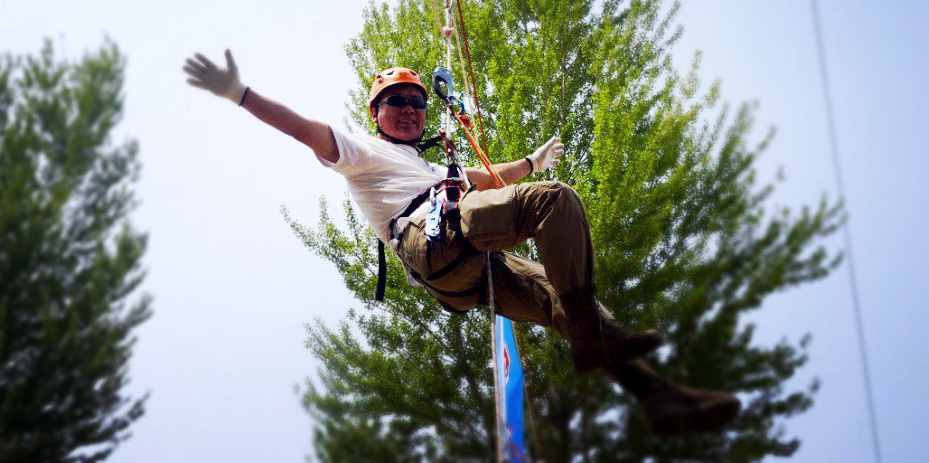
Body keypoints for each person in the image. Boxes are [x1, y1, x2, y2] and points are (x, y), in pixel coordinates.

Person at [184, 50, 741, 435]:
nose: (408, 109)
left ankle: (657, 397)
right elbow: (301, 128)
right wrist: (241, 94)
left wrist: (530, 161)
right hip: (433, 237)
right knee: (554, 200)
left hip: (465, 271)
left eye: (416, 102)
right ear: (375, 114)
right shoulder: (361, 153)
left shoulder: (428, 166)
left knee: (563, 300)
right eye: (395, 101)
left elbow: (482, 179)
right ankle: (596, 339)